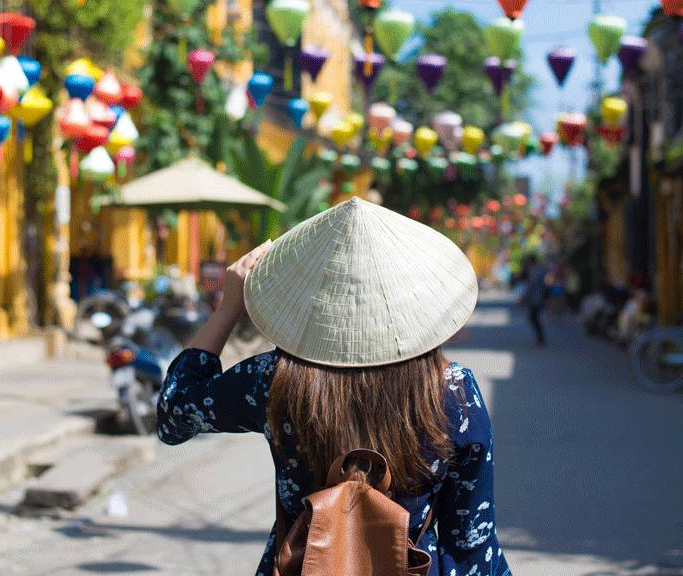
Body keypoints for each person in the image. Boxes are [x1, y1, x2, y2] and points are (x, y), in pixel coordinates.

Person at [157, 198, 512, 576]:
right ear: (414, 301)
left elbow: (172, 416)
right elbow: (472, 541)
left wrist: (229, 307)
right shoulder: (455, 392)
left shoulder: (271, 378)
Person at [519, 254, 548, 347]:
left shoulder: (534, 272)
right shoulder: (539, 270)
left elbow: (531, 287)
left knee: (533, 318)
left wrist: (523, 299)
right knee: (534, 318)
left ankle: (540, 339)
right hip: (538, 298)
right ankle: (540, 338)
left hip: (536, 299)